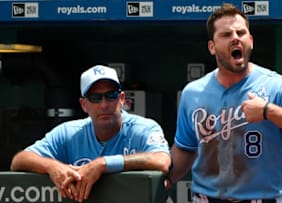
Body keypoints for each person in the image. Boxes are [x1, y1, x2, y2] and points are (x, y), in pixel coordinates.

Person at [164, 3, 282, 203]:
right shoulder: (193, 93)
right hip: (206, 198)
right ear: (212, 47)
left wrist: (269, 111)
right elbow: (185, 148)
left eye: (241, 33)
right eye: (226, 35)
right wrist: (165, 180)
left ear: (250, 40)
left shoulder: (275, 86)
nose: (235, 38)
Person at [10, 65, 171, 202]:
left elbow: (162, 161)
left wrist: (103, 164)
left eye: (111, 96)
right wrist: (53, 167)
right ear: (84, 104)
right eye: (95, 98)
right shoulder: (69, 132)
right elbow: (19, 160)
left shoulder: (143, 128)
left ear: (121, 99)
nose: (104, 104)